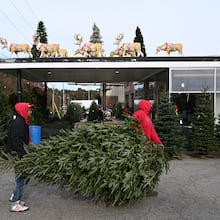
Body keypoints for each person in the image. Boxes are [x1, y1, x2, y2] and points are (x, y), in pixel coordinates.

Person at [6, 102, 34, 212]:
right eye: (29, 110)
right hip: (17, 154)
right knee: (21, 177)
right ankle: (14, 203)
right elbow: (16, 141)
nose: (31, 112)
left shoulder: (22, 121)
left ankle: (15, 197)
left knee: (23, 176)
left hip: (19, 153)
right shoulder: (19, 123)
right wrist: (24, 154)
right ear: (23, 110)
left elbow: (24, 138)